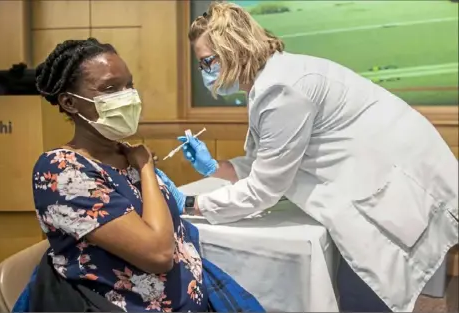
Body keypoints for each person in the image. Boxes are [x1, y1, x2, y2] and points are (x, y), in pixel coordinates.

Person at [175, 2, 459, 312]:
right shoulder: (275, 77)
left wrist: (190, 204)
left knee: (368, 285)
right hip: (386, 166)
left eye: (207, 62)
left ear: (233, 48)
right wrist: (218, 168)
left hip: (394, 177)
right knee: (363, 283)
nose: (205, 72)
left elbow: (264, 189)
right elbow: (273, 161)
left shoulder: (281, 88)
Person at [30, 38, 264, 312]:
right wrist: (146, 168)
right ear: (70, 102)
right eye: (110, 88)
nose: (127, 96)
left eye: (129, 85)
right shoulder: (62, 170)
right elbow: (158, 254)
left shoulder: (124, 155)